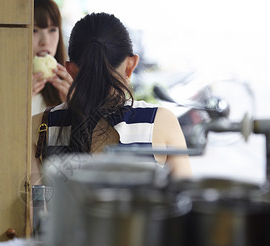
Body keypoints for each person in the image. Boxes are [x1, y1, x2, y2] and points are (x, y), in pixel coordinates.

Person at [32, 12, 192, 179]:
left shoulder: (38, 127)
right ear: (131, 65)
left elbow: (30, 202)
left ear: (71, 70)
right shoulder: (161, 122)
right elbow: (185, 196)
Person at [32, 0, 72, 115]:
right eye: (35, 30)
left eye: (52, 30)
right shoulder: (3, 85)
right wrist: (18, 101)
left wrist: (74, 107)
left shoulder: (69, 86)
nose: (45, 42)